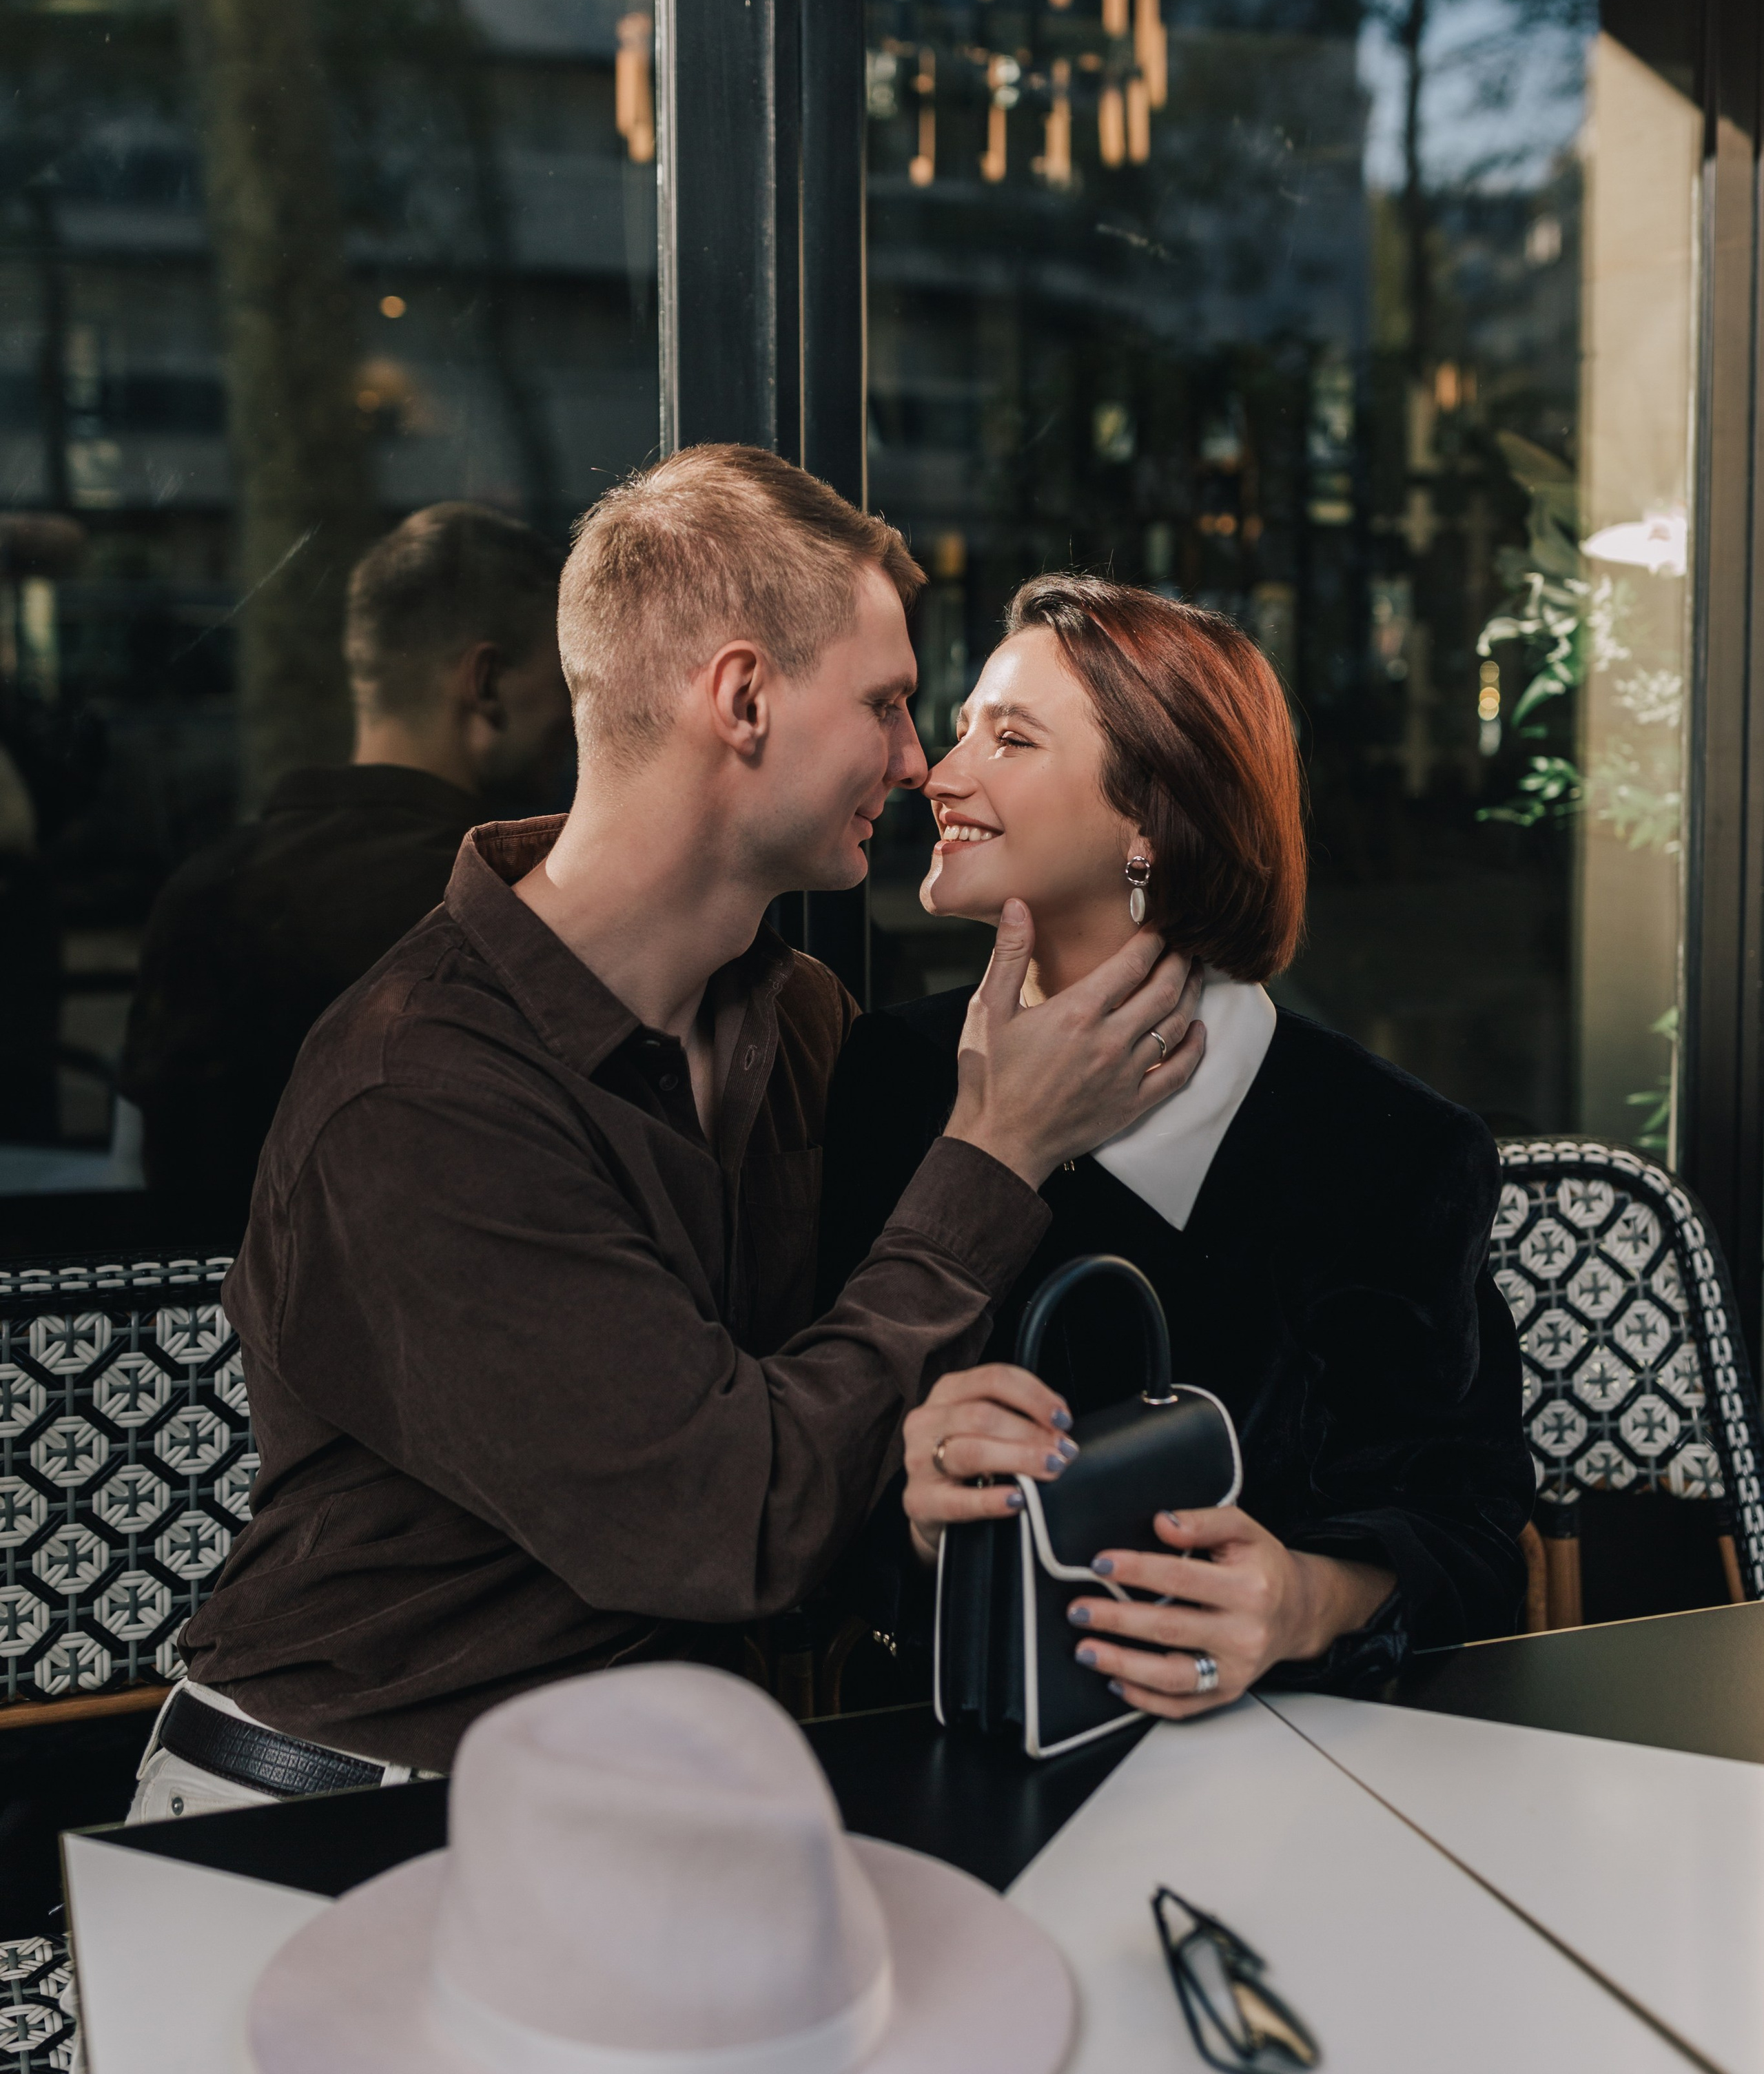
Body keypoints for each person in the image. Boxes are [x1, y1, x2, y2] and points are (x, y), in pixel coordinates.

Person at [136, 448, 1205, 1818]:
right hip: (348, 1810)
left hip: (654, 1805)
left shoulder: (800, 1019)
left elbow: (842, 1422)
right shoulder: (417, 1095)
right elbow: (729, 1520)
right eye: (884, 705)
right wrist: (993, 1162)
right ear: (743, 699)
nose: (908, 759)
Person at [821, 573, 1531, 1718]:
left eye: (1010, 740)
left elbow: (1474, 1540)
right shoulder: (891, 1081)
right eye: (959, 734)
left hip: (1288, 1779)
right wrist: (907, 1513)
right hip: (951, 1758)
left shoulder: (1394, 1149)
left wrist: (1302, 1599)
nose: (938, 777)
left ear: (1151, 816)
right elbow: (816, 1511)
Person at [118, 502, 572, 1227]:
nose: (575, 723)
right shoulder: (513, 909)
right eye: (568, 684)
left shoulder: (202, 891)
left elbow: (151, 1171)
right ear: (484, 682)